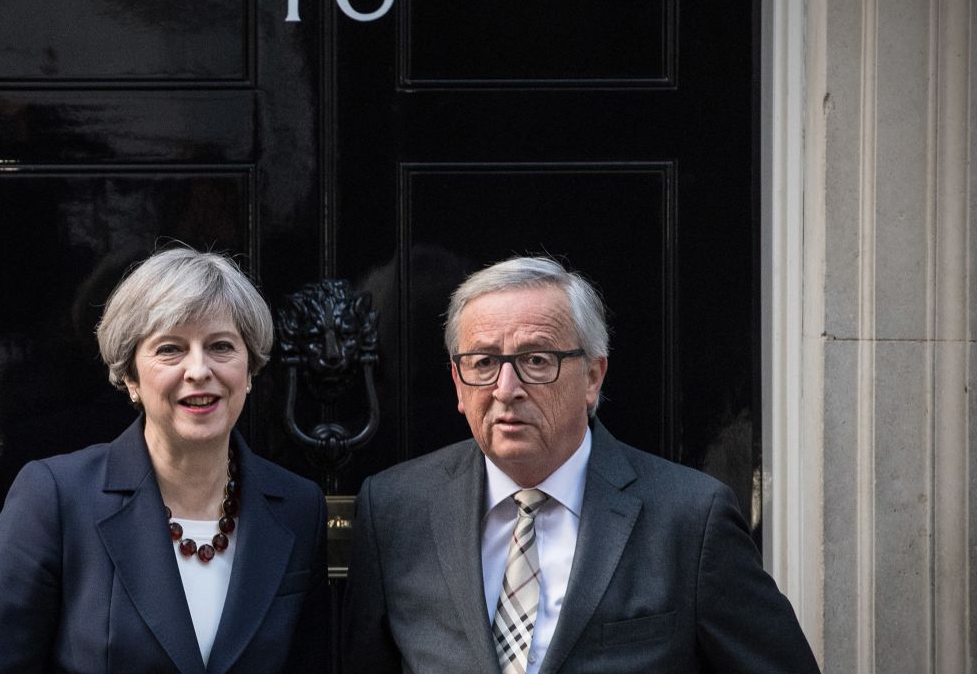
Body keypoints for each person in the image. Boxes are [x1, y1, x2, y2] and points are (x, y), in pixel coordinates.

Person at [342, 255, 818, 673]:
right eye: (483, 362)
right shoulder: (394, 509)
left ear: (592, 376)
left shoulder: (691, 518)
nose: (506, 388)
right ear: (457, 381)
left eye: (536, 360)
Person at [0, 248, 328, 673]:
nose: (198, 369)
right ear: (130, 377)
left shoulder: (300, 507)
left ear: (249, 372)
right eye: (171, 349)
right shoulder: (56, 498)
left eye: (221, 346)